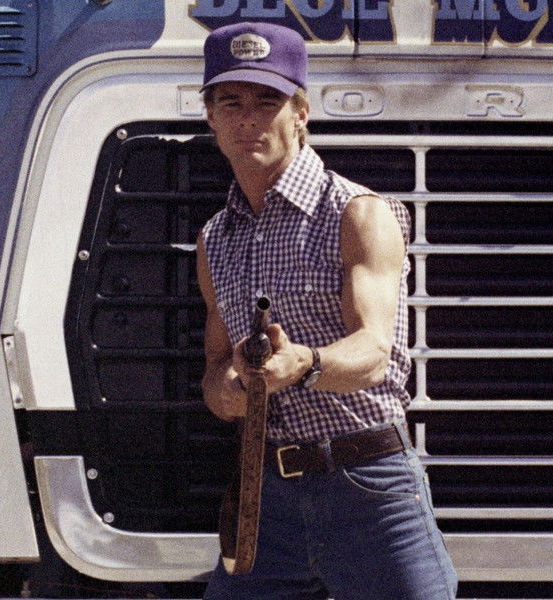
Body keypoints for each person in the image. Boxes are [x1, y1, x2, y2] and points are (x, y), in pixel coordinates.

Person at [196, 21, 458, 600]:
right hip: (266, 498)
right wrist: (232, 390)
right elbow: (213, 372)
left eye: (268, 102)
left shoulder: (357, 213)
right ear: (209, 116)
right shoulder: (214, 239)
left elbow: (374, 353)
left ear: (301, 113)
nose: (248, 119)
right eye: (231, 102)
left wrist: (303, 365)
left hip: (368, 487)